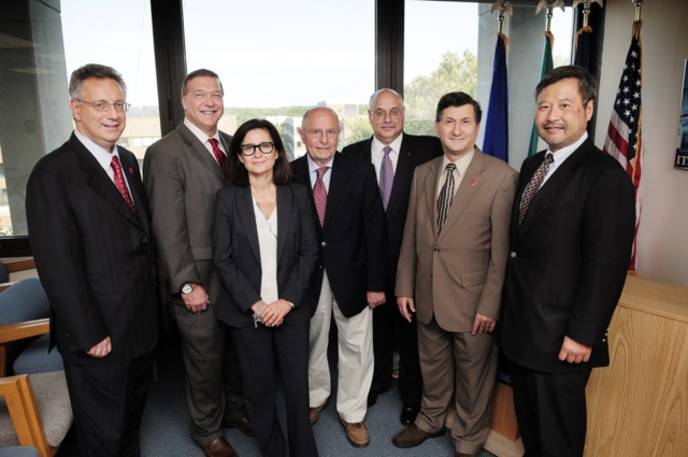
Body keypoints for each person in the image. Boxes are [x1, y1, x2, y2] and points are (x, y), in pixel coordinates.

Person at [500, 65, 635, 457]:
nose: (552, 115)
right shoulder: (532, 166)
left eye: (564, 105)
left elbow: (605, 265)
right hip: (523, 329)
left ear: (588, 110)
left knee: (558, 440)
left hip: (563, 339)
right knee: (531, 430)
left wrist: (583, 334)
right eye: (544, 106)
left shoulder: (604, 176)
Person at [25, 63, 158, 457]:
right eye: (100, 105)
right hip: (98, 334)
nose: (113, 114)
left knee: (129, 426)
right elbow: (57, 266)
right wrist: (89, 334)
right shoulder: (52, 173)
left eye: (119, 104)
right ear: (75, 108)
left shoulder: (127, 161)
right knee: (103, 438)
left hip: (138, 326)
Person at [393, 92, 517, 457]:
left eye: (465, 122)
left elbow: (501, 253)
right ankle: (430, 419)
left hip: (473, 302)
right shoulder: (423, 172)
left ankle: (467, 437)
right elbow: (412, 236)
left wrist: (490, 305)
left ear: (476, 127)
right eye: (449, 121)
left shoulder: (501, 176)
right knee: (432, 367)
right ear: (437, 126)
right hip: (426, 294)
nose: (456, 129)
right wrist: (404, 286)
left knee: (473, 377)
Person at [143, 69, 249, 457]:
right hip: (198, 277)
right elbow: (166, 226)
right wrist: (186, 283)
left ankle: (234, 410)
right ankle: (207, 431)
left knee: (235, 350)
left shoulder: (231, 144)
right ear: (184, 101)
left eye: (216, 94)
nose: (210, 101)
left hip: (236, 274)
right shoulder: (165, 152)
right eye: (200, 94)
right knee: (205, 358)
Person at [213, 119, 319, 457]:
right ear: (239, 156)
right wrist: (257, 305)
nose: (257, 153)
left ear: (276, 152)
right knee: (258, 390)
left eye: (265, 145)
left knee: (296, 389)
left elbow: (309, 252)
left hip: (291, 309)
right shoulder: (227, 198)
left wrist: (286, 301)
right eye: (248, 147)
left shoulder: (297, 194)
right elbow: (223, 260)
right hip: (248, 313)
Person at [342, 88, 442, 425]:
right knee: (374, 330)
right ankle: (377, 382)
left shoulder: (429, 149)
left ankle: (412, 397)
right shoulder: (352, 154)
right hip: (368, 262)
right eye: (380, 112)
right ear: (370, 116)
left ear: (404, 114)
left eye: (394, 111)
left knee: (411, 333)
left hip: (412, 260)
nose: (387, 119)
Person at [291, 107, 387, 448]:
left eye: (330, 132)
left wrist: (376, 283)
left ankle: (353, 413)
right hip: (307, 278)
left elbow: (375, 230)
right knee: (312, 343)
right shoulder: (288, 173)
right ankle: (315, 397)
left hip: (354, 276)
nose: (323, 139)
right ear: (302, 135)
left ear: (338, 134)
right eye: (316, 132)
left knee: (356, 346)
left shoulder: (360, 170)